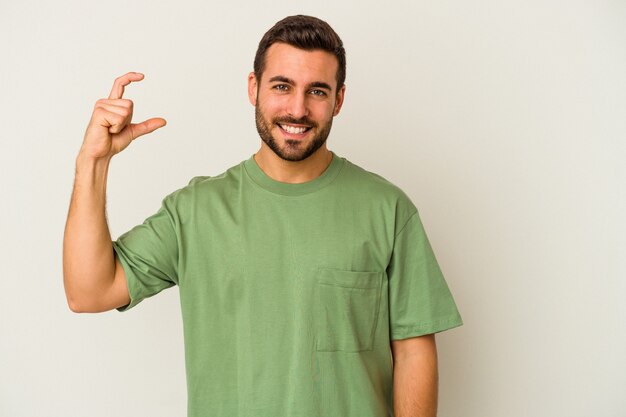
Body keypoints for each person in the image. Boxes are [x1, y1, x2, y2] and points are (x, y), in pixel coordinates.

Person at [63, 15, 462, 417]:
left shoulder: (387, 209)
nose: (297, 108)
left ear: (339, 100)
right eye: (282, 86)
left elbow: (413, 351)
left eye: (317, 91)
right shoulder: (196, 211)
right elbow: (89, 292)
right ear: (254, 88)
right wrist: (92, 162)